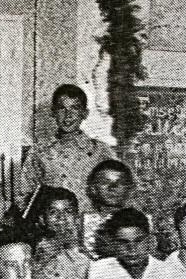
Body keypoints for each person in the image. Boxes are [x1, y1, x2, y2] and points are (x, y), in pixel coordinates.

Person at [18, 84, 116, 213]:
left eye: (74, 108)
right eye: (62, 109)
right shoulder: (39, 152)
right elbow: (25, 196)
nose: (68, 115)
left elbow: (115, 192)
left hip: (87, 225)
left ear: (84, 114)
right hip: (51, 228)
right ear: (53, 112)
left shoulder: (100, 151)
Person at [32, 187, 91, 279]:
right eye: (53, 212)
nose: (61, 218)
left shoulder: (84, 259)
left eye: (68, 212)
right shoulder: (31, 254)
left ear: (76, 218)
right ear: (42, 219)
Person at [81, 159, 136, 259]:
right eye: (105, 182)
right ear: (93, 189)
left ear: (129, 189)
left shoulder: (140, 220)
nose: (112, 187)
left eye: (120, 183)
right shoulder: (81, 223)